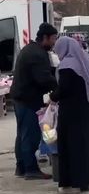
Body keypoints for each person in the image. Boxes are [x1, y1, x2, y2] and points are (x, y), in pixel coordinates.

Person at [50, 37, 89, 193]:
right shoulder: (86, 61)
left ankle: (71, 182)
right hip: (87, 111)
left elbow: (64, 89)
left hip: (71, 113)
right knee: (88, 143)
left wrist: (52, 97)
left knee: (72, 146)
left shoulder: (67, 66)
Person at [10, 23, 58, 180]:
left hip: (21, 98)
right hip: (28, 99)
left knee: (22, 134)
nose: (54, 43)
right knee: (30, 135)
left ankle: (21, 166)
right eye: (53, 39)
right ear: (45, 38)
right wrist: (59, 88)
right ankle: (31, 169)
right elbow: (43, 78)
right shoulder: (37, 54)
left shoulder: (29, 49)